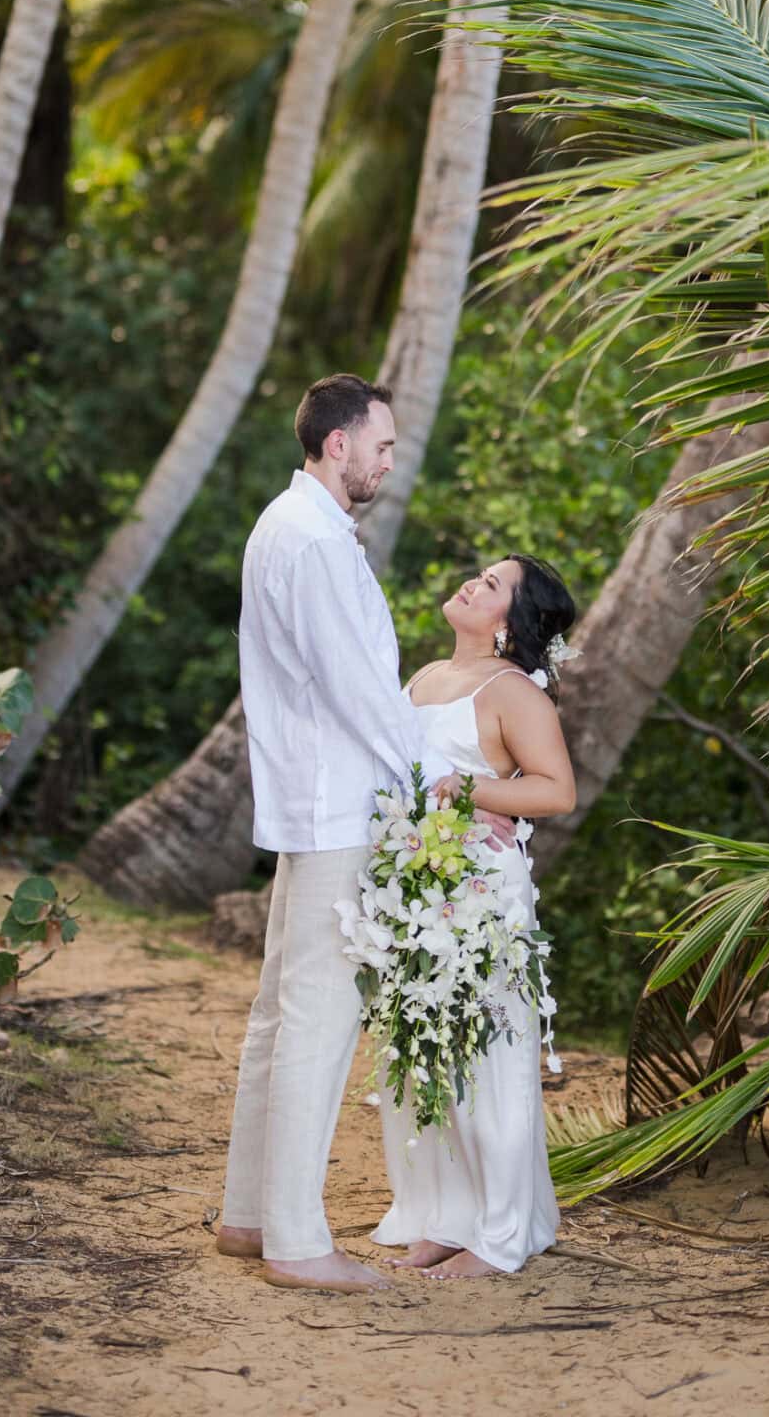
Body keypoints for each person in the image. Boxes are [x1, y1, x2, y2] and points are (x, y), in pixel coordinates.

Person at [215, 373, 512, 1294]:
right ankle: (296, 1242)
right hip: (338, 806)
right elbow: (356, 693)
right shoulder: (309, 542)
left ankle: (249, 1214)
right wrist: (444, 793)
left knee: (280, 1012)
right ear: (337, 443)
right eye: (381, 444)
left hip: (317, 803)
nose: (389, 460)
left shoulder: (295, 529)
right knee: (316, 1018)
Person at [371, 552, 577, 1281]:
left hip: (482, 893)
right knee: (423, 1050)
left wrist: (471, 793)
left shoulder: (512, 691)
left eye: (491, 585)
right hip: (414, 887)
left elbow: (555, 792)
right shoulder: (424, 678)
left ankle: (501, 1231)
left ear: (509, 622)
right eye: (477, 574)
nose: (469, 582)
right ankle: (443, 1214)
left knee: (487, 1057)